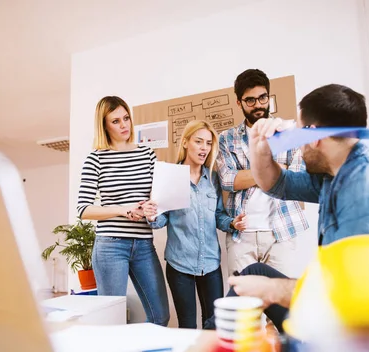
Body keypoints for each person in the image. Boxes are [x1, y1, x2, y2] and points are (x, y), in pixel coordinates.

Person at [206, 83, 369, 331]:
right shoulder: (334, 172)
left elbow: (358, 296)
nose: (299, 148)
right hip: (343, 310)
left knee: (261, 285)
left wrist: (272, 290)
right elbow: (275, 183)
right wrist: (259, 146)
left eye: (300, 136)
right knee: (255, 273)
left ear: (314, 137)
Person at [142, 120, 246, 329]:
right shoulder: (169, 177)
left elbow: (218, 216)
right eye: (199, 142)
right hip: (180, 265)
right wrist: (152, 216)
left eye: (208, 143)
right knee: (187, 325)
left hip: (210, 264)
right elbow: (162, 219)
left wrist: (232, 223)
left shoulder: (213, 179)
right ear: (186, 142)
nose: (204, 148)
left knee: (214, 324)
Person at [77, 96, 169, 326]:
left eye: (126, 118)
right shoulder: (95, 159)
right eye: (116, 121)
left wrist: (149, 208)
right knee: (111, 320)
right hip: (110, 246)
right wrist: (122, 210)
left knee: (160, 316)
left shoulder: (147, 154)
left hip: (143, 244)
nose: (124, 125)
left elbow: (155, 198)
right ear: (105, 125)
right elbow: (84, 209)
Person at [216, 69, 309, 276]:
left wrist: (248, 175)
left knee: (280, 304)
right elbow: (228, 180)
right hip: (241, 235)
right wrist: (274, 171)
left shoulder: (289, 133)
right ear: (239, 102)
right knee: (242, 304)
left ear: (269, 96)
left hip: (281, 232)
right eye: (250, 100)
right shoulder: (226, 138)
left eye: (262, 97)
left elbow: (295, 180)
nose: (258, 104)